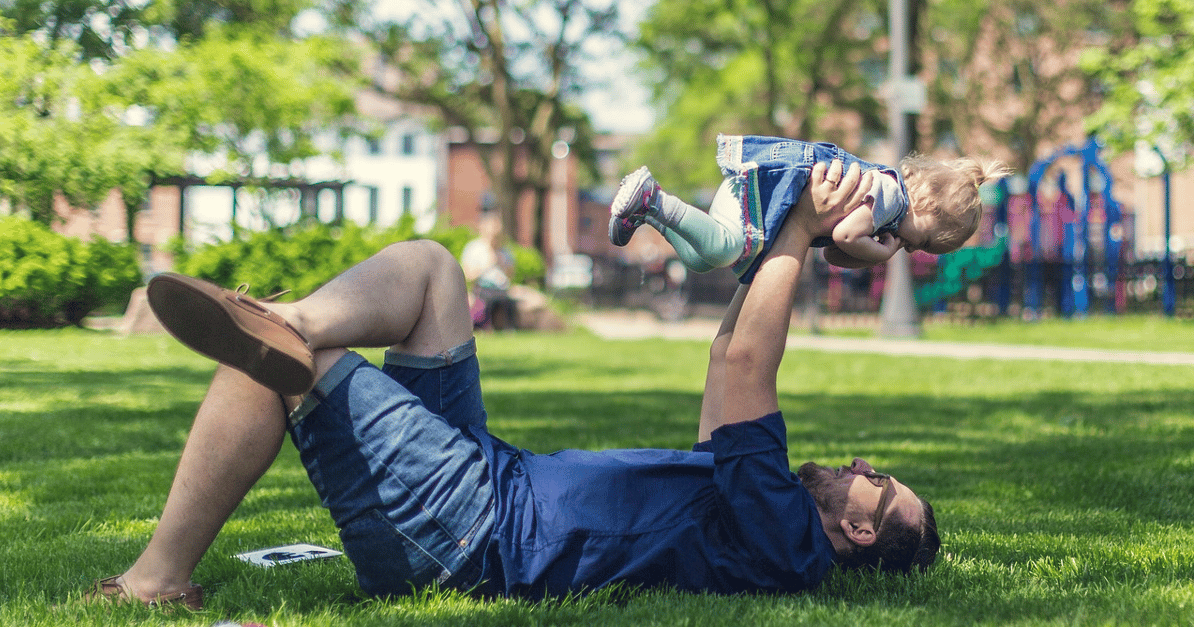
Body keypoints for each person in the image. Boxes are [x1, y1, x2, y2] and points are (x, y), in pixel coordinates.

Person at [83, 160, 938, 609]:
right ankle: (294, 320)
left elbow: (754, 364)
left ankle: (158, 578)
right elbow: (729, 357)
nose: (861, 463)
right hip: (489, 477)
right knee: (431, 271)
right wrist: (805, 239)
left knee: (286, 370)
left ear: (861, 528)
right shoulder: (754, 506)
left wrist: (799, 224)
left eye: (878, 478)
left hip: (470, 533)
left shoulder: (784, 541)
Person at [609, 133, 1011, 279]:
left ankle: (648, 214)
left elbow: (837, 253)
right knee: (723, 249)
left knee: (701, 260)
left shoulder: (882, 214)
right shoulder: (889, 195)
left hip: (754, 196)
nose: (908, 247)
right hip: (763, 191)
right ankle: (654, 197)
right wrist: (882, 252)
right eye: (920, 241)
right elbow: (844, 235)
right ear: (925, 203)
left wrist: (869, 254)